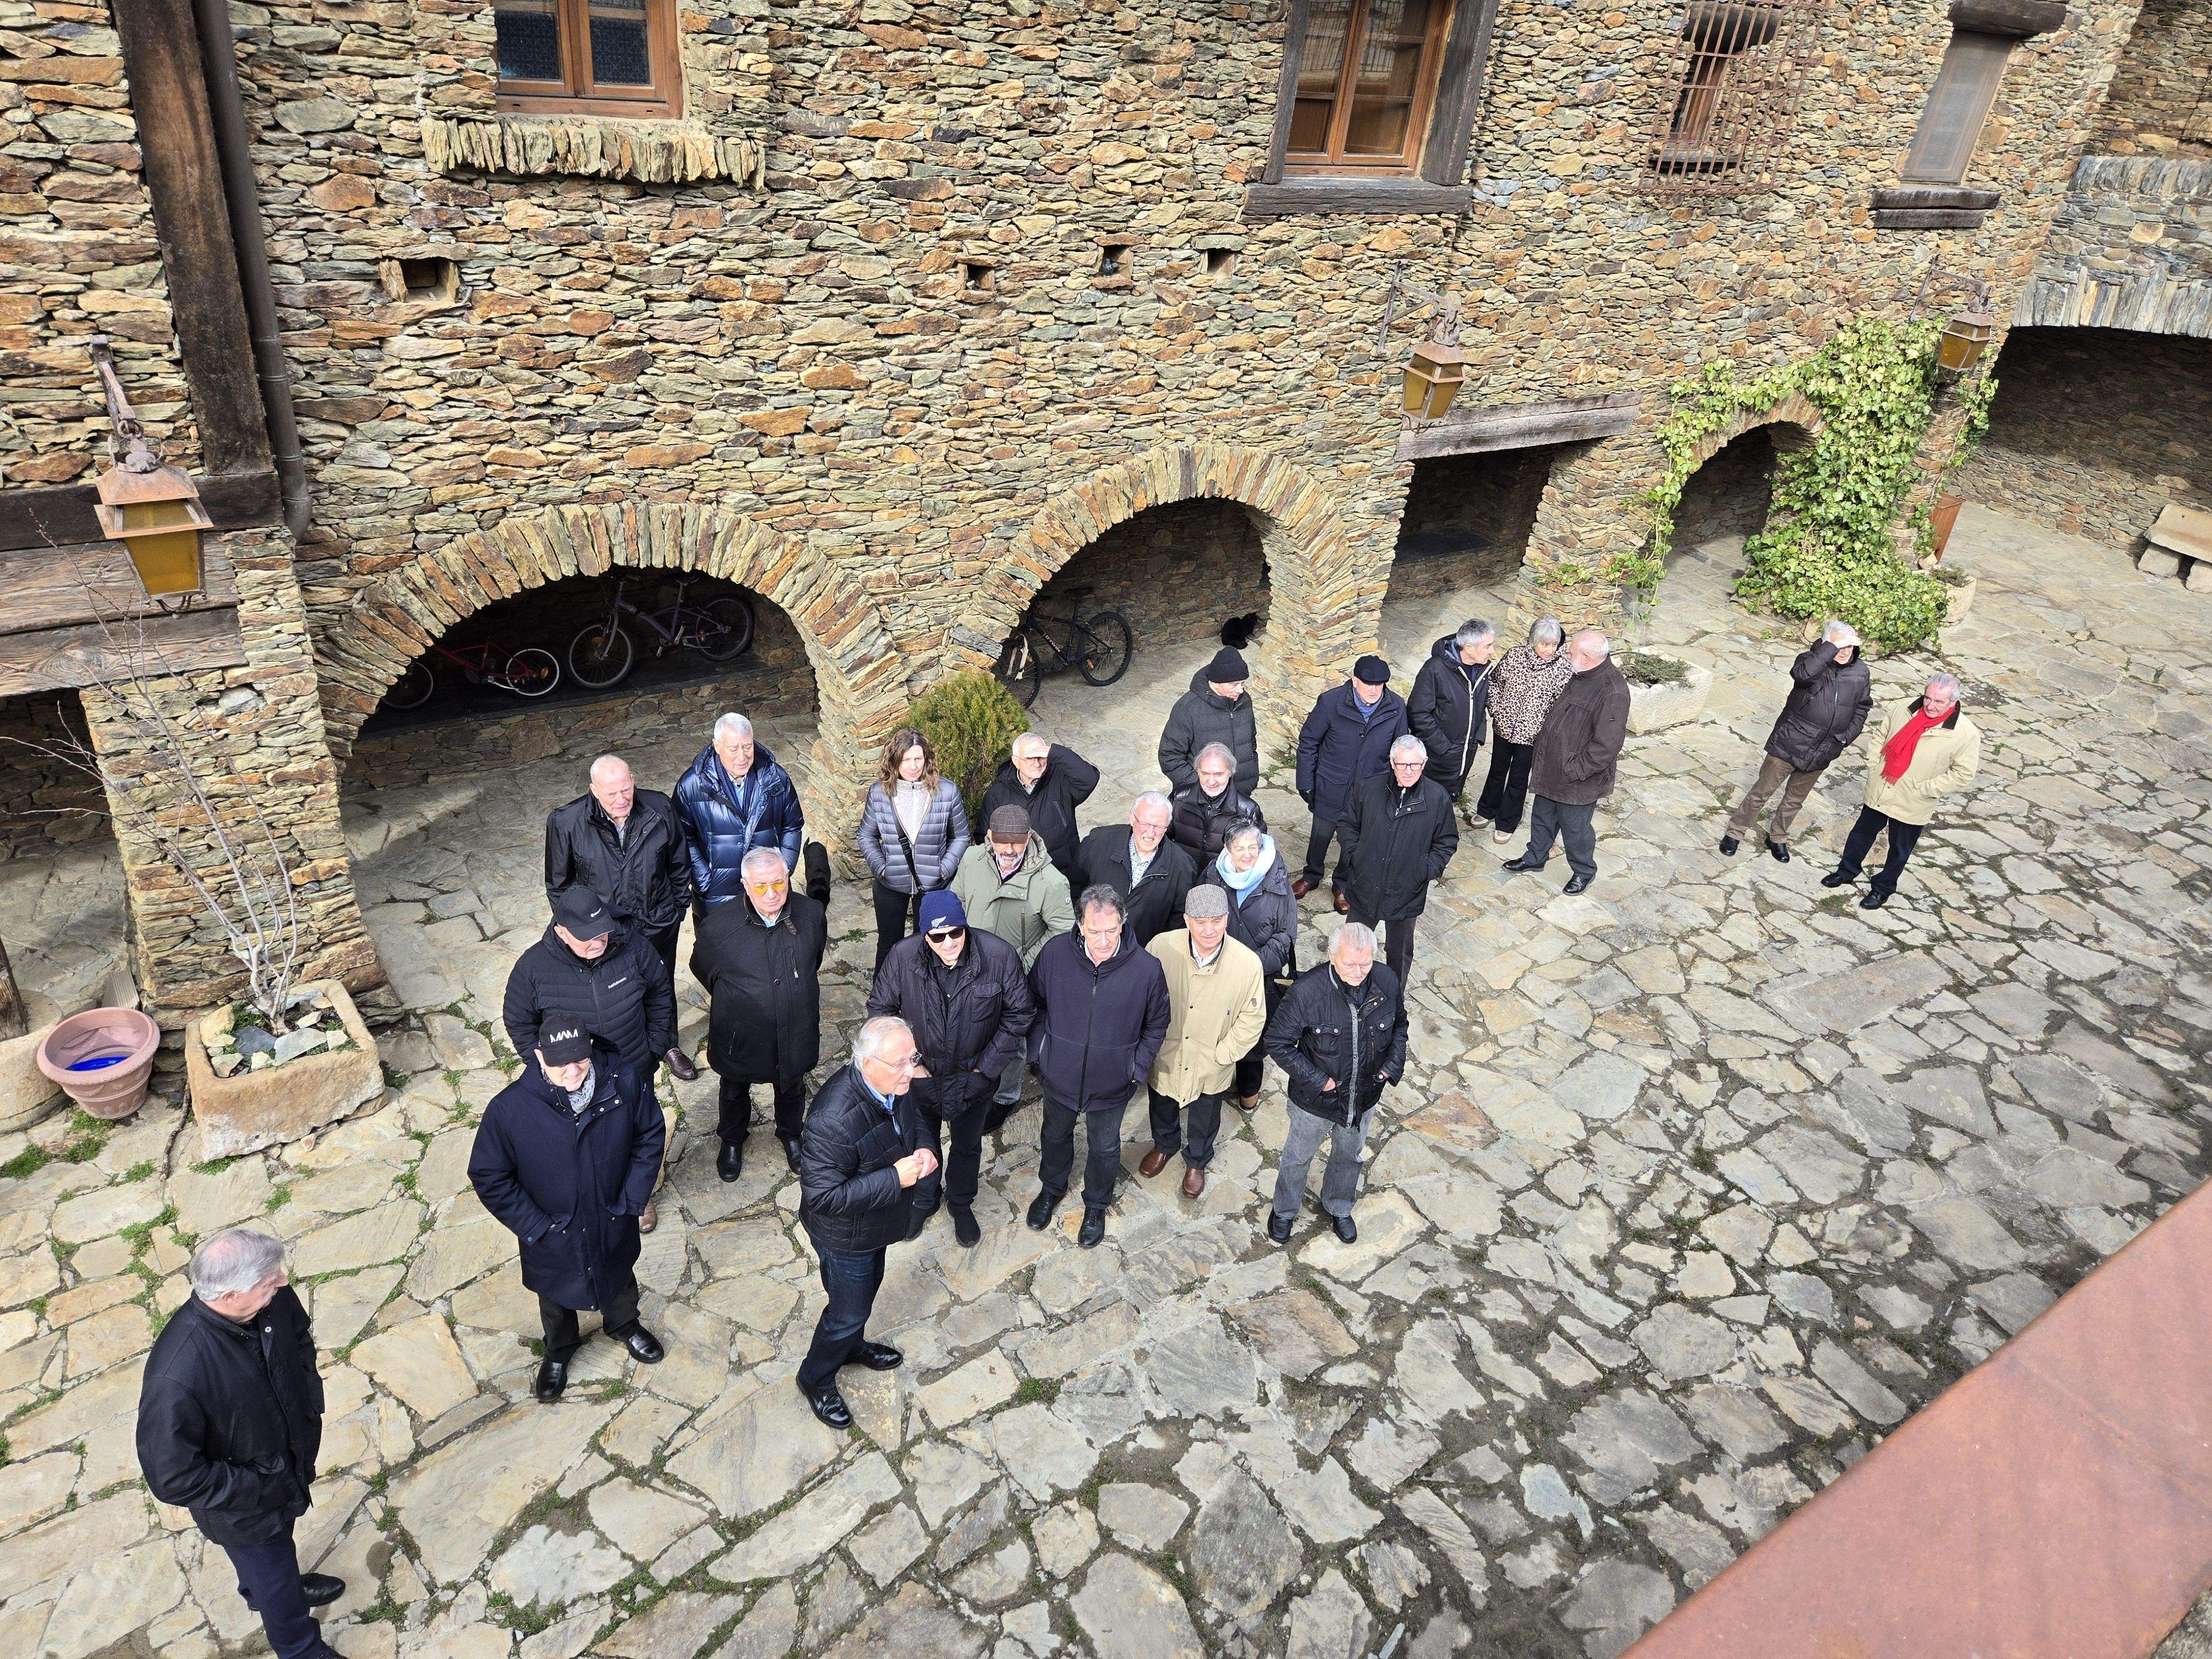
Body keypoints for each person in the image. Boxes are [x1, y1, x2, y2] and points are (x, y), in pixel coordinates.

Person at [138, 1229, 343, 1659]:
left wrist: (309, 1398)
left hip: (282, 1471)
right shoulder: (176, 1376)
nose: (283, 1284)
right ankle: (300, 1647)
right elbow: (172, 1477)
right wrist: (259, 1485)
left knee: (272, 1567)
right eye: (271, 1281)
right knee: (272, 1568)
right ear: (231, 1296)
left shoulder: (270, 1302)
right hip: (244, 1508)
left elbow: (300, 1339)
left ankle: (264, 1589)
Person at [469, 1021, 666, 1402]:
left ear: (591, 1049)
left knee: (620, 1276)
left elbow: (649, 1134)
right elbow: (489, 1175)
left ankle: (625, 1325)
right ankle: (559, 1350)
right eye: (561, 1063)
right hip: (552, 1233)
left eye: (580, 1058)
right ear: (539, 1057)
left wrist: (632, 1197)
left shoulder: (623, 1083)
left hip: (612, 1218)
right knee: (554, 1294)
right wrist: (536, 1226)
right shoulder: (509, 1110)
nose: (572, 1070)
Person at [500, 888, 678, 1231]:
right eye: (588, 938)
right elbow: (519, 1022)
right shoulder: (532, 968)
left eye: (603, 932)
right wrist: (546, 1068)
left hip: (632, 1069)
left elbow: (659, 993)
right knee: (587, 1142)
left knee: (637, 1135)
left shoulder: (635, 949)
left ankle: (639, 1197)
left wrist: (655, 1044)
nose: (599, 941)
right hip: (574, 1080)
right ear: (561, 933)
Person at [865, 890, 1034, 1248]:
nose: (949, 942)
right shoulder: (902, 957)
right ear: (925, 937)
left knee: (967, 1147)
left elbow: (1020, 1013)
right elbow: (881, 1012)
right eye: (938, 936)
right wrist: (912, 1066)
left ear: (966, 928)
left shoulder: (1000, 957)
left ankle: (960, 1203)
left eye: (955, 932)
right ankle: (925, 1200)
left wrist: (985, 1071)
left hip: (974, 1080)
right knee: (919, 1146)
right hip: (919, 1080)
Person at [795, 1016, 936, 1430]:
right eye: (900, 1063)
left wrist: (925, 1149)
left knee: (861, 1301)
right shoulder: (831, 1119)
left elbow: (916, 1122)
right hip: (845, 1238)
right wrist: (896, 1178)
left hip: (875, 1225)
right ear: (866, 1063)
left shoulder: (894, 1084)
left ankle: (851, 1347)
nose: (911, 1070)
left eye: (913, 1058)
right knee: (846, 1312)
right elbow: (822, 1197)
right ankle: (815, 1377)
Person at [1025, 885, 1171, 1248]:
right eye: (1095, 931)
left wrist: (1135, 1069)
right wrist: (1040, 1051)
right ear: (1080, 925)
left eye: (1111, 930)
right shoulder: (1056, 954)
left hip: (1112, 1083)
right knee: (1054, 1136)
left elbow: (1157, 1024)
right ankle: (1052, 1189)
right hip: (1059, 1075)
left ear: (1123, 923)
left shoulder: (1147, 970)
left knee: (1105, 1148)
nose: (1104, 940)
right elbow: (1035, 1002)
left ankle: (1096, 1205)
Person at [544, 753, 695, 1079]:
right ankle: (608, 1051)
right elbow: (558, 887)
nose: (621, 799)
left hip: (657, 923)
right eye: (611, 793)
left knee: (660, 984)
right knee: (608, 992)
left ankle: (668, 1044)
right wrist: (580, 931)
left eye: (625, 789)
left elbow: (679, 864)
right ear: (594, 791)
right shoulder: (566, 822)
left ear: (633, 781)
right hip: (604, 931)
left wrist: (677, 910)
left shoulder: (660, 809)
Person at [690, 847, 827, 1180]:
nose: (771, 894)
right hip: (741, 1033)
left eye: (779, 884)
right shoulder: (719, 927)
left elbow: (812, 961)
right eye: (761, 886)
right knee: (735, 1089)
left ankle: (791, 1134)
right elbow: (703, 968)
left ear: (788, 879)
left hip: (795, 1027)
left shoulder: (811, 915)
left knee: (792, 1087)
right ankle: (732, 1139)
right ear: (745, 885)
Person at [1264, 924, 1406, 1246]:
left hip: (1364, 1097)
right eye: (1350, 964)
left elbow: (1400, 1024)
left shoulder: (1387, 980)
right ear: (1331, 956)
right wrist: (1320, 1081)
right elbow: (1277, 1043)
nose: (1358, 972)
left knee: (1349, 1155)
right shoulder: (1307, 993)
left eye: (1365, 963)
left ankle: (1339, 1206)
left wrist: (1391, 1067)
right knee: (1298, 1157)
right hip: (1314, 1102)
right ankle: (1285, 1211)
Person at [950, 805, 1075, 1123]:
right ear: (989, 837)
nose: (1009, 850)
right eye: (1002, 841)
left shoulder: (1051, 882)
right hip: (969, 967)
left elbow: (1063, 931)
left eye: (1017, 842)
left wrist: (1023, 960)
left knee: (1012, 1040)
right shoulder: (970, 860)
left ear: (1029, 838)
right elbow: (958, 903)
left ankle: (1005, 1097)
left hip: (1015, 977)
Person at [1141, 885, 1266, 1198]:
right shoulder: (1160, 947)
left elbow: (1253, 1019)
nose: (1208, 929)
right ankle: (1164, 1145)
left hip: (1213, 1059)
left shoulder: (1248, 964)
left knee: (1206, 1114)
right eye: (1200, 921)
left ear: (1227, 919)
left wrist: (1224, 1054)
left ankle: (1196, 1160)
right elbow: (1139, 994)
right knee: (1161, 1102)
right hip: (1167, 1052)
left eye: (1216, 920)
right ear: (1186, 920)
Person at [1822, 672, 1981, 909]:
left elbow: (1963, 774)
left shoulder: (1965, 733)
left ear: (1953, 702)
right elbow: (1881, 735)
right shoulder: (1903, 709)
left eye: (1939, 702)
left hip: (1914, 800)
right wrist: (1875, 765)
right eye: (1928, 698)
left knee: (1899, 849)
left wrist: (1926, 789)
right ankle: (1847, 871)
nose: (1931, 705)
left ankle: (1883, 889)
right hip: (1882, 786)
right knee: (1860, 835)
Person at [1721, 619, 1873, 863]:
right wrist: (1829, 649)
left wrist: (1846, 737)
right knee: (1762, 792)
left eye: (1851, 645)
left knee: (1795, 799)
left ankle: (1778, 838)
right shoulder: (1808, 661)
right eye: (1840, 645)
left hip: (1825, 749)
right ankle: (1735, 832)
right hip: (1791, 742)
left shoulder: (1861, 671)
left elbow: (1863, 707)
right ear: (1826, 644)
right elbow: (1802, 676)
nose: (1846, 651)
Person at [1505, 629, 1630, 895]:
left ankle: (1584, 871)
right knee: (1542, 817)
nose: (1565, 653)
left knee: (1576, 830)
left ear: (1586, 656)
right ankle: (1535, 857)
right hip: (1553, 767)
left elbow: (1606, 746)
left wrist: (1574, 769)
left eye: (1571, 651)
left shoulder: (1613, 692)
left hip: (1577, 779)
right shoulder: (1582, 673)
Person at [1337, 734, 1459, 984]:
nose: (1408, 770)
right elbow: (1348, 825)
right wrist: (1356, 857)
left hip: (1407, 892)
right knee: (1352, 948)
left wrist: (1425, 870)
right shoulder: (1367, 788)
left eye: (1415, 764)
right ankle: (1344, 992)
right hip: (1365, 885)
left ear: (1424, 763)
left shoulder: (1438, 798)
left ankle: (1394, 1002)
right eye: (1402, 764)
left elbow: (1447, 841)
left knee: (1399, 955)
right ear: (1392, 763)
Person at [1196, 818, 1298, 1109]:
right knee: (1214, 1028)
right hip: (1216, 969)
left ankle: (1248, 1087)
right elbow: (1199, 920)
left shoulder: (1277, 880)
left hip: (1260, 976)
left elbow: (1285, 936)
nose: (1247, 854)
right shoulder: (1212, 876)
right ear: (1228, 849)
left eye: (1253, 846)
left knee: (1253, 1037)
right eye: (1239, 848)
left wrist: (1249, 965)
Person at [1294, 654, 1408, 909]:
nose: (1374, 690)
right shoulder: (1330, 702)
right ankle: (1311, 875)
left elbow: (1401, 747)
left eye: (1380, 685)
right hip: (1331, 785)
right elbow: (1309, 742)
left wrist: (1397, 787)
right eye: (1369, 684)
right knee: (1320, 835)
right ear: (1354, 680)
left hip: (1370, 791)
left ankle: (1341, 885)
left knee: (1353, 841)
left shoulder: (1396, 707)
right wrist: (1305, 781)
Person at [858, 726, 972, 970]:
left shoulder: (947, 792)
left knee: (930, 944)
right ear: (894, 761)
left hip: (933, 885)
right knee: (888, 946)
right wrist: (883, 869)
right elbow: (866, 836)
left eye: (918, 758)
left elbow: (962, 836)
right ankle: (884, 1001)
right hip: (891, 884)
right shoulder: (879, 792)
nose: (913, 766)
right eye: (906, 759)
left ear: (927, 758)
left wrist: (943, 869)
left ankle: (926, 998)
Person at [672, 712, 804, 911]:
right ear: (717, 746)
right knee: (719, 942)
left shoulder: (775, 777)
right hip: (717, 893)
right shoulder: (692, 785)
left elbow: (792, 826)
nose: (742, 757)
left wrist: (784, 868)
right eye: (733, 749)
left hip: (768, 890)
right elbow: (683, 839)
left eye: (747, 747)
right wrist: (704, 880)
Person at [1476, 618, 1574, 847]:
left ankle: (1507, 822)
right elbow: (1494, 683)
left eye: (1555, 644)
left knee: (1519, 779)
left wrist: (1543, 728)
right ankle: (1487, 809)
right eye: (1545, 645)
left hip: (1532, 737)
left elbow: (1561, 707)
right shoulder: (1514, 656)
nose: (1550, 650)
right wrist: (1498, 711)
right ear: (1533, 642)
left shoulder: (1562, 669)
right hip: (1503, 728)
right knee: (1497, 770)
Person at [1074, 790, 1195, 945]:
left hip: (1141, 952)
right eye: (1144, 823)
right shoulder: (1097, 843)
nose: (1150, 833)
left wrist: (1153, 948)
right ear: (1132, 818)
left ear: (1167, 826)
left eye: (1159, 826)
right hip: (1094, 944)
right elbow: (1075, 888)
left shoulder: (1182, 866)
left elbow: (1179, 919)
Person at [979, 731, 1099, 885]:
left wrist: (1054, 752)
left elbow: (1089, 779)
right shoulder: (997, 794)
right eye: (1030, 758)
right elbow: (984, 836)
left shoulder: (1060, 780)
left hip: (1063, 872)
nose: (1037, 763)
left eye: (1041, 756)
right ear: (1016, 761)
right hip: (1018, 878)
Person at [1407, 619, 1497, 805]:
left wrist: (1477, 737)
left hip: (1464, 753)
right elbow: (1418, 714)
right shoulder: (1434, 670)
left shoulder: (1482, 669)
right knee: (1425, 802)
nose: (1492, 651)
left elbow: (1479, 705)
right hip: (1437, 758)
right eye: (1488, 646)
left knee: (1447, 802)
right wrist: (1445, 748)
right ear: (1469, 648)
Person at [1158, 647, 1259, 796]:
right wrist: (1200, 787)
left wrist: (1251, 777)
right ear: (1217, 682)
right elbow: (1169, 756)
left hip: (1240, 793)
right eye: (1234, 684)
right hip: (1201, 799)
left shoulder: (1245, 702)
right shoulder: (1187, 708)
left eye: (1243, 683)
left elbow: (1251, 742)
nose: (1241, 690)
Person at [1168, 742, 1266, 864]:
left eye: (1218, 774)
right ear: (1198, 771)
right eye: (1205, 774)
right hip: (1184, 875)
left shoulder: (1248, 810)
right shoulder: (1178, 799)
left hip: (1221, 880)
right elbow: (1163, 838)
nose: (1211, 781)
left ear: (1231, 772)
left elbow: (1257, 855)